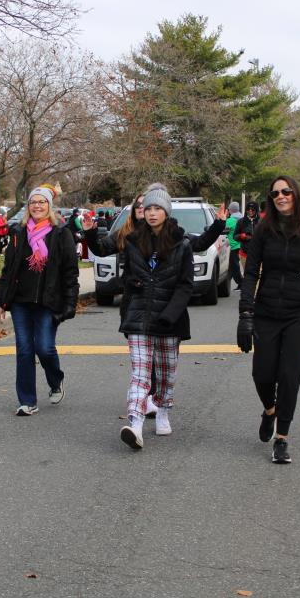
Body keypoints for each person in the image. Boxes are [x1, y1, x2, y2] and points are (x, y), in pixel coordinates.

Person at [237, 176, 300, 464]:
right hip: (266, 311)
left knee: (290, 376)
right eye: (275, 193)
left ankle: (282, 438)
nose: (281, 196)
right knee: (262, 374)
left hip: (299, 313)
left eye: (286, 191)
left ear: (295, 194)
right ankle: (269, 411)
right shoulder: (263, 230)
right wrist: (245, 314)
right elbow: (251, 273)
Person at [102, 184, 193, 450]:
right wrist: (130, 285)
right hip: (139, 315)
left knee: (166, 374)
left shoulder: (182, 243)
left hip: (169, 319)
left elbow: (185, 285)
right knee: (140, 373)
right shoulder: (132, 241)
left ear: (166, 212)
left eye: (157, 208)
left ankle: (162, 410)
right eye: (148, 208)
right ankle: (136, 423)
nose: (152, 213)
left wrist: (171, 314)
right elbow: (128, 275)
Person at [0, 185, 79, 416]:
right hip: (20, 301)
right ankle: (27, 401)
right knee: (24, 350)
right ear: (28, 206)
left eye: (42, 202)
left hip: (48, 302)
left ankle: (55, 380)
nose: (37, 206)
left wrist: (70, 304)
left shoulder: (61, 233)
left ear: (49, 206)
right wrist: (1, 301)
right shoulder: (18, 232)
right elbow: (8, 269)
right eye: (33, 202)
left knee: (44, 348)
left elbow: (70, 272)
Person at [225, 201, 243, 288]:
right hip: (242, 245)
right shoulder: (242, 218)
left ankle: (241, 283)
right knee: (234, 265)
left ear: (230, 210)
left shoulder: (230, 221)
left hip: (233, 246)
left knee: (234, 266)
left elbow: (223, 231)